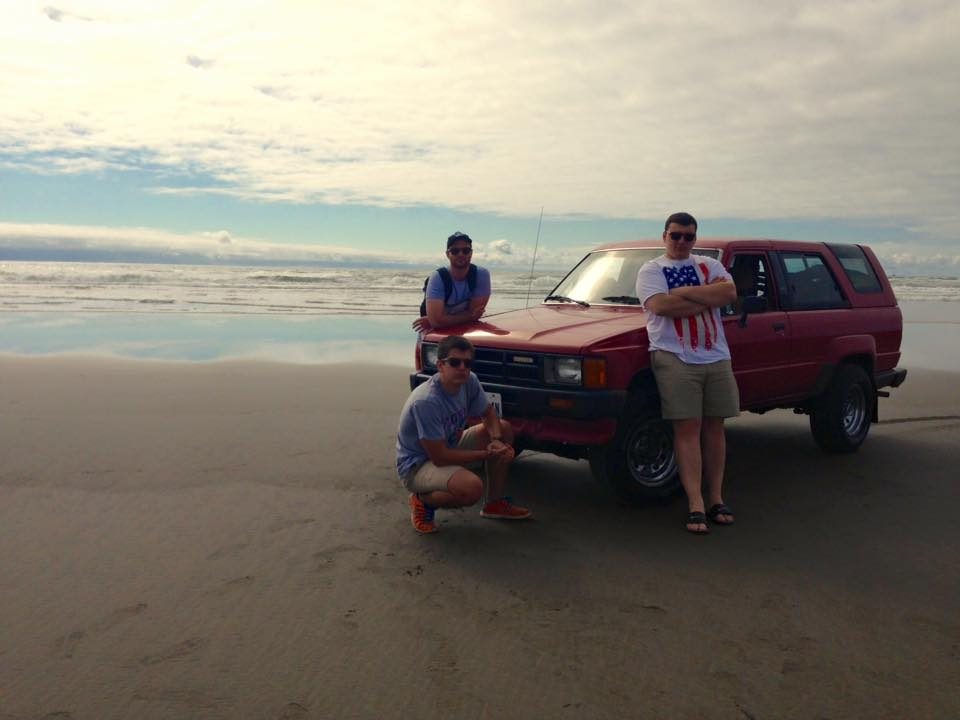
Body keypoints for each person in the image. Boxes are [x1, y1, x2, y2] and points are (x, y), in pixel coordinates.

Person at [635, 212, 739, 534]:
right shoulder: (651, 270)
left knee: (715, 426)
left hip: (716, 356)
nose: (682, 241)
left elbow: (729, 294)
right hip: (674, 356)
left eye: (688, 236)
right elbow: (661, 307)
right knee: (687, 428)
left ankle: (716, 498)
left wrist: (681, 294)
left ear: (695, 239)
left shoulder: (710, 265)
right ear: (664, 235)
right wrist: (706, 298)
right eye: (676, 235)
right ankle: (695, 502)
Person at [396, 335, 532, 534]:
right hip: (417, 465)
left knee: (503, 429)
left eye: (467, 363)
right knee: (471, 489)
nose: (462, 368)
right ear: (440, 365)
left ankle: (494, 503)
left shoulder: (469, 381)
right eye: (455, 362)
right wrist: (486, 454)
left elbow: (488, 413)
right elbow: (440, 457)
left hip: (448, 445)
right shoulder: (426, 401)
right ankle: (422, 501)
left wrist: (495, 441)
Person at [411, 231, 491, 333]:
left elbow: (475, 314)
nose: (461, 254)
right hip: (432, 330)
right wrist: (468, 316)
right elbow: (436, 322)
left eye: (465, 250)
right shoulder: (438, 277)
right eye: (455, 251)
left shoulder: (481, 275)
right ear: (448, 254)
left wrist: (438, 319)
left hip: (465, 329)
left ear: (471, 253)